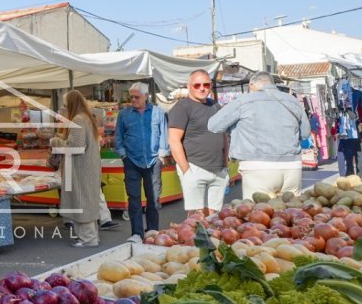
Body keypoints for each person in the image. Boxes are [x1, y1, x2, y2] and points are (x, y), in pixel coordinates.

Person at [207, 72, 311, 201]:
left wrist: (234, 128)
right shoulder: (292, 101)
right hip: (291, 166)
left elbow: (213, 125)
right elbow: (305, 133)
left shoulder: (243, 101)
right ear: (272, 84)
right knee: (290, 214)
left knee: (259, 214)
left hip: (257, 167)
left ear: (251, 85)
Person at [168, 69, 230, 216]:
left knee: (215, 217)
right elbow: (174, 140)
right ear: (189, 86)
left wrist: (225, 165)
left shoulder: (215, 106)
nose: (202, 88)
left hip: (218, 170)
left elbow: (224, 136)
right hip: (195, 167)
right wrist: (186, 171)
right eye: (197, 85)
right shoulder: (182, 107)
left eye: (206, 84)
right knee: (196, 217)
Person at [114, 82, 169, 241]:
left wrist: (162, 154)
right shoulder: (124, 114)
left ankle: (152, 232)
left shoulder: (158, 113)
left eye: (136, 97)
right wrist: (123, 155)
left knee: (153, 198)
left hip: (153, 161)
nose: (133, 99)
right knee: (134, 199)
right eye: (131, 97)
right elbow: (118, 137)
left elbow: (164, 134)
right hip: (131, 160)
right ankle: (137, 233)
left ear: (146, 96)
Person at [52, 90, 105, 247]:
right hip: (89, 167)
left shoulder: (78, 119)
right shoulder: (87, 118)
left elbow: (76, 147)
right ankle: (92, 236)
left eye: (65, 105)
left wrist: (55, 142)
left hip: (81, 168)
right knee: (88, 201)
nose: (64, 108)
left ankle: (87, 239)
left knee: (82, 202)